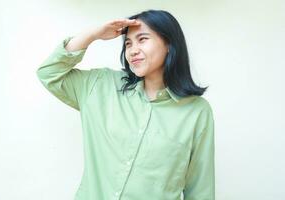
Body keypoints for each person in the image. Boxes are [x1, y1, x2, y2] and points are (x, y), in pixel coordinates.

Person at [37, 9, 215, 200]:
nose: (133, 50)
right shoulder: (100, 85)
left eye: (143, 39)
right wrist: (93, 34)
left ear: (169, 44)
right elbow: (49, 73)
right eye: (128, 43)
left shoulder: (197, 112)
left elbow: (200, 190)